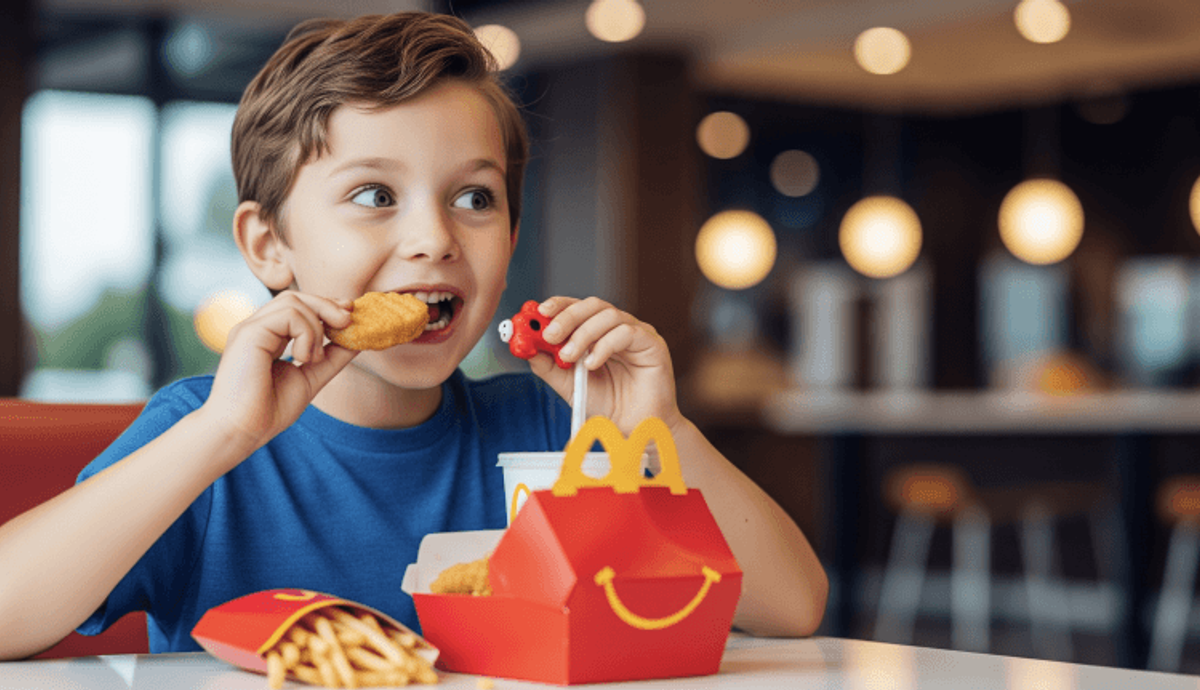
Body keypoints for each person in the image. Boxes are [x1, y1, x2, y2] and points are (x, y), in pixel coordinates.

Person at [0, 11, 827, 660]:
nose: (436, 237)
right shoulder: (206, 434)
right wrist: (222, 433)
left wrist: (656, 435)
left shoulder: (559, 435)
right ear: (268, 245)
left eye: (475, 198)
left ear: (511, 242)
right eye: (373, 196)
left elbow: (793, 608)